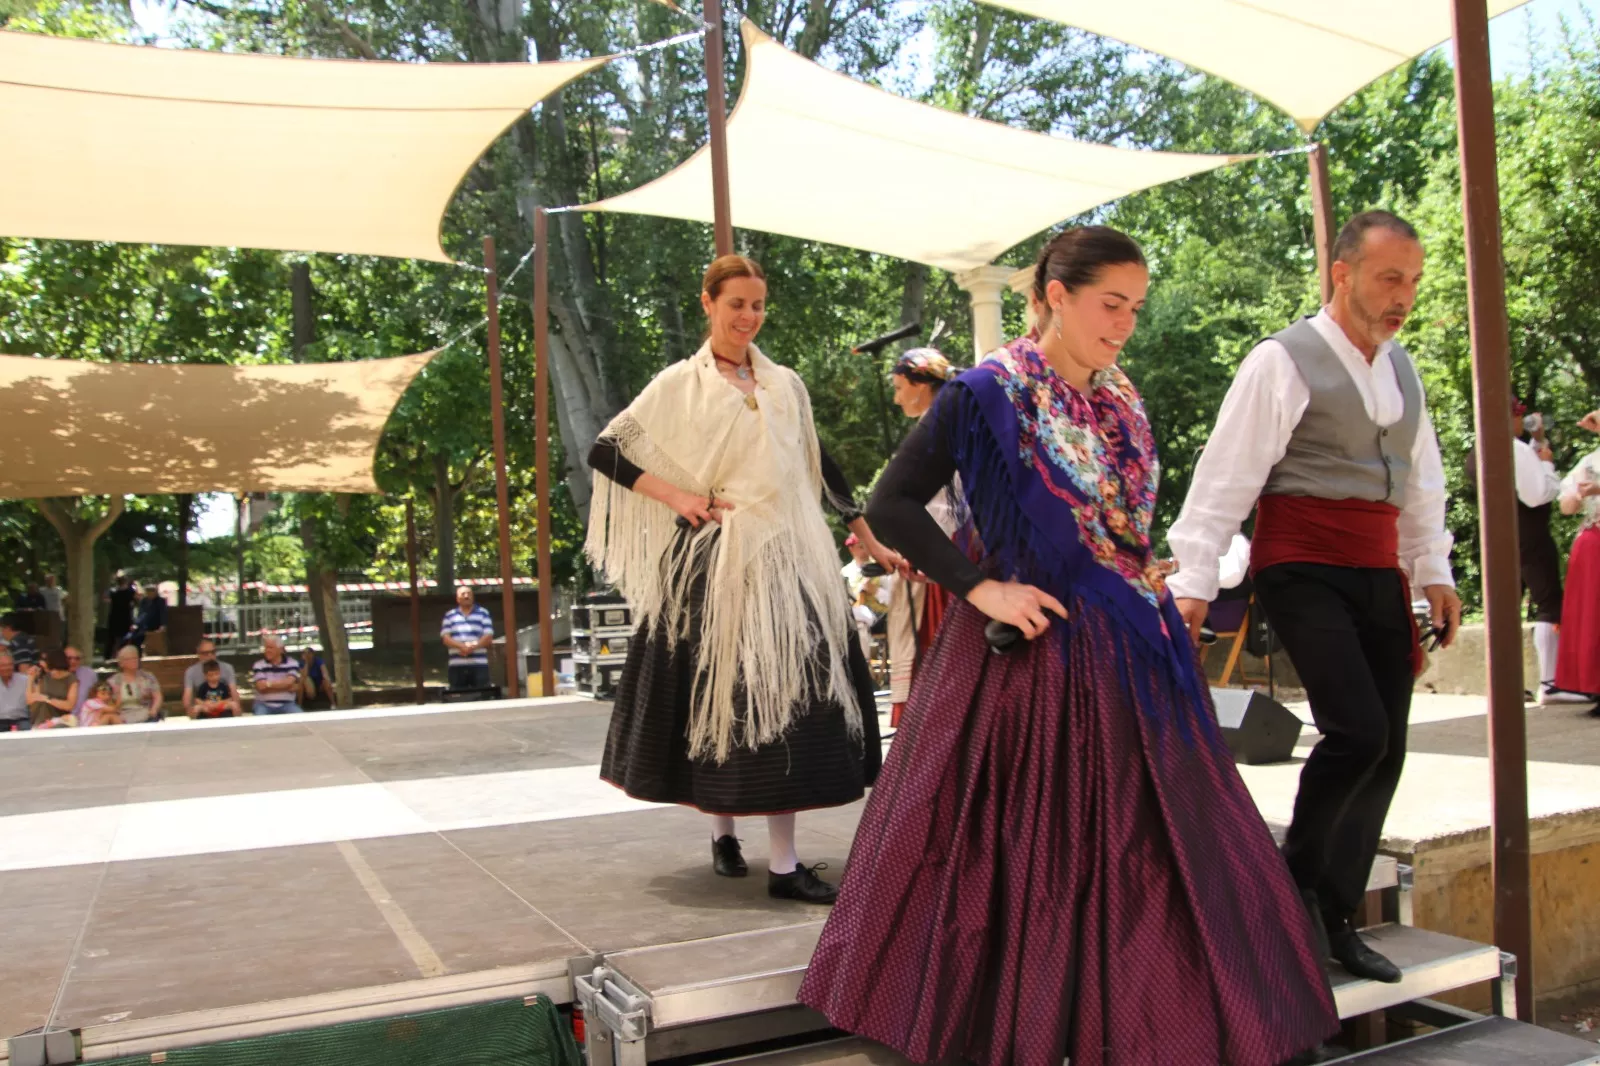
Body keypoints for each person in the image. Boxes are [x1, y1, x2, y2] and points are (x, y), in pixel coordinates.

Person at [798, 227, 1337, 1066]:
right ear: (1056, 295)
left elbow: (1120, 525)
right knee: (1028, 855)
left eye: (1134, 308)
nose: (1124, 325)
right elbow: (892, 504)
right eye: (1109, 305)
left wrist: (1143, 570)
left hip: (1134, 653)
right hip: (1030, 661)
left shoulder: (1122, 396)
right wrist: (979, 587)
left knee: (1153, 851)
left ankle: (1155, 1026)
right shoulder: (985, 392)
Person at [1168, 211, 1462, 985]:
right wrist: (1195, 580)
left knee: (1388, 744)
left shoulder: (1403, 370)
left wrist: (1434, 568)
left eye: (1412, 281)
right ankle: (1290, 890)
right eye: (1388, 278)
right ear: (1342, 273)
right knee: (1357, 730)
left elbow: (1421, 481)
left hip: (1375, 568)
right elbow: (1225, 474)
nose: (1403, 296)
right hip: (1299, 563)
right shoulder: (1283, 360)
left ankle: (1332, 914)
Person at [585, 254, 899, 905]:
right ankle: (724, 833)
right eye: (736, 304)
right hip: (715, 565)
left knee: (795, 706)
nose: (748, 317)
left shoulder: (785, 383)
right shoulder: (680, 384)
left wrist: (863, 530)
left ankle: (783, 866)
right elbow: (607, 449)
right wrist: (676, 498)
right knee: (717, 705)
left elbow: (819, 460)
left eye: (757, 305)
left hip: (790, 559)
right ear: (708, 303)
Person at [1464, 401, 1585, 704]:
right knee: (1548, 600)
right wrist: (1546, 463)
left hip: (1497, 534)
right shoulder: (1513, 448)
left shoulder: (1478, 449)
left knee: (1505, 608)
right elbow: (1537, 494)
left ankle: (1504, 685)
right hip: (1528, 531)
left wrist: (1538, 443)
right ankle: (1551, 682)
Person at [884, 347, 961, 726]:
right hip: (938, 555)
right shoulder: (941, 425)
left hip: (944, 562)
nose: (897, 397)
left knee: (941, 664)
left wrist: (919, 547)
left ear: (921, 385)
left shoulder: (942, 431)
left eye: (900, 387)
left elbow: (949, 501)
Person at [1554, 440, 1600, 699]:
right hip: (1594, 542)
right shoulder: (1590, 461)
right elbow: (1566, 507)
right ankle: (1594, 686)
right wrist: (1576, 495)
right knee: (1591, 613)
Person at [841, 534, 893, 661]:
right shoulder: (845, 572)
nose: (865, 549)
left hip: (880, 617)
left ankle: (862, 662)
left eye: (866, 546)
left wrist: (875, 591)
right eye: (860, 546)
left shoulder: (880, 568)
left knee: (858, 622)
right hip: (853, 614)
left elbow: (894, 601)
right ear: (851, 548)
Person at [440, 586, 494, 690]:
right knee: (457, 697)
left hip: (479, 664)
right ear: (457, 598)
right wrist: (462, 647)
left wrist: (472, 647)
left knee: (482, 696)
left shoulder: (483, 613)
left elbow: (488, 636)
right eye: (463, 594)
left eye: (469, 594)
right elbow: (446, 638)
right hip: (456, 665)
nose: (466, 596)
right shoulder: (449, 616)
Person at [181, 639, 238, 716]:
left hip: (222, 704)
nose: (210, 655)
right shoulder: (191, 671)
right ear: (199, 654)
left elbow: (233, 691)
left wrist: (237, 707)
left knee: (234, 705)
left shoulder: (227, 668)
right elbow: (187, 694)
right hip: (204, 705)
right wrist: (189, 710)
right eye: (206, 653)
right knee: (197, 709)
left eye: (213, 652)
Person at [27, 648, 80, 728]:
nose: (41, 663)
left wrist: (48, 699)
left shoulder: (71, 680)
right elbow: (30, 700)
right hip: (40, 722)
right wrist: (30, 678)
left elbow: (69, 705)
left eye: (44, 659)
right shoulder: (44, 677)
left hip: (59, 722)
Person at [110, 644, 163, 723]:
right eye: (130, 659)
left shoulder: (148, 677)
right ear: (121, 663)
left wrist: (154, 709)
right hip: (122, 716)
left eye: (135, 658)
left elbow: (158, 696)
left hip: (145, 713)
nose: (134, 661)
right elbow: (107, 702)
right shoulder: (113, 681)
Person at [251, 636, 303, 714]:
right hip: (264, 705)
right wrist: (286, 687)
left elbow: (289, 682)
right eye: (266, 648)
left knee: (301, 718)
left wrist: (268, 684)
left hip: (287, 705)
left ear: (281, 649)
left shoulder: (292, 663)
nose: (267, 650)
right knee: (260, 721)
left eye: (271, 648)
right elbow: (261, 687)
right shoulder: (258, 665)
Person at [104, 575, 137, 658]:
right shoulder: (130, 592)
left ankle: (107, 656)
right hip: (126, 618)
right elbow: (138, 597)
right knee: (126, 638)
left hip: (114, 617)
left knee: (111, 638)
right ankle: (124, 655)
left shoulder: (113, 591)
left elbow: (106, 598)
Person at [0, 652, 30, 732]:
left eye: (9, 665)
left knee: (26, 730)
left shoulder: (25, 680)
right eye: (2, 665)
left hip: (21, 720)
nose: (6, 668)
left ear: (13, 666)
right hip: (1, 720)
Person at [64, 646, 97, 716]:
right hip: (62, 717)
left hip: (85, 716)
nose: (73, 661)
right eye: (69, 658)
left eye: (77, 658)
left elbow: (96, 696)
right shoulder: (56, 674)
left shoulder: (90, 674)